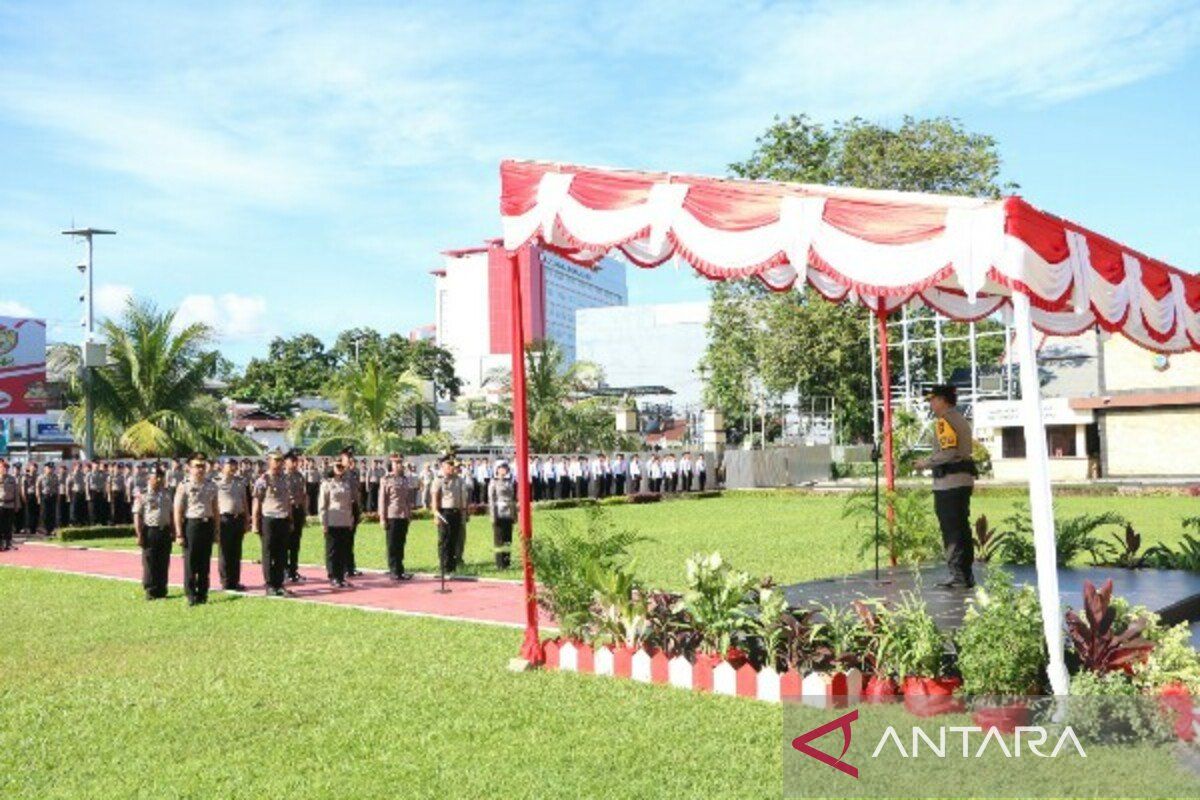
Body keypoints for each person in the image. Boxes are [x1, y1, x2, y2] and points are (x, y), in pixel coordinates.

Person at [914, 384, 978, 589]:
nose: (931, 404)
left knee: (952, 531)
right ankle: (965, 575)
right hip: (962, 480)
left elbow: (948, 452)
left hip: (949, 483)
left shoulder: (944, 422)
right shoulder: (960, 419)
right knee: (962, 528)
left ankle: (958, 576)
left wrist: (925, 463)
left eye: (933, 400)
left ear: (942, 400)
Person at [173, 454, 219, 606]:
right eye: (197, 466)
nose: (200, 469)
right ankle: (191, 594)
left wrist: (217, 530)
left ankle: (203, 594)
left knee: (205, 561)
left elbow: (215, 509)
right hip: (192, 525)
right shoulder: (184, 485)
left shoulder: (211, 485)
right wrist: (179, 533)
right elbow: (178, 510)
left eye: (202, 466)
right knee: (191, 562)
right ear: (189, 468)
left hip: (207, 524)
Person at [252, 451, 293, 597]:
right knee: (269, 552)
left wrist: (291, 519)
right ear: (269, 461)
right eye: (275, 460)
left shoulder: (285, 479)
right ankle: (270, 584)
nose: (278, 463)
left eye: (280, 460)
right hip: (269, 518)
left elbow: (288, 501)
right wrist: (255, 523)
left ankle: (279, 583)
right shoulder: (263, 479)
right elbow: (257, 501)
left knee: (281, 553)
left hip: (283, 518)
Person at [133, 469, 173, 600]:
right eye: (156, 477)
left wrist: (173, 530)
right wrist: (139, 535)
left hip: (165, 530)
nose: (160, 480)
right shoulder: (142, 495)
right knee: (150, 562)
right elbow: (137, 516)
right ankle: (151, 591)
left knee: (163, 561)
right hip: (150, 531)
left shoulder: (167, 493)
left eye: (161, 477)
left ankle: (162, 590)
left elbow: (171, 513)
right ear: (149, 478)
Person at [319, 461, 356, 588]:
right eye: (338, 466)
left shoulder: (346, 484)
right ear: (332, 468)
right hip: (332, 521)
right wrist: (324, 522)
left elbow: (349, 505)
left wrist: (351, 519)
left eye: (342, 467)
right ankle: (333, 576)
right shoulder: (327, 484)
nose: (341, 469)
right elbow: (323, 505)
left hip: (344, 521)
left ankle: (340, 576)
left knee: (342, 550)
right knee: (332, 551)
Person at [430, 457, 469, 575]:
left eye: (453, 465)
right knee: (444, 540)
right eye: (449, 465)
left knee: (454, 539)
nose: (452, 467)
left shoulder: (458, 479)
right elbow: (434, 499)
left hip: (456, 512)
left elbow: (462, 499)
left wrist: (464, 512)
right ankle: (444, 565)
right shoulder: (439, 480)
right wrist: (436, 515)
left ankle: (452, 566)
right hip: (444, 513)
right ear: (443, 466)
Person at [379, 453, 414, 581]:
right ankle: (393, 570)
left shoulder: (405, 479)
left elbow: (407, 499)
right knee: (392, 544)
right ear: (391, 464)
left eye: (400, 462)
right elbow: (383, 500)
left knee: (401, 543)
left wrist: (409, 514)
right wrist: (382, 518)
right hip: (392, 515)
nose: (399, 465)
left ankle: (400, 569)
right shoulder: (386, 479)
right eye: (396, 463)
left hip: (403, 515)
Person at [215, 460, 249, 592]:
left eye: (234, 465)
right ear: (222, 467)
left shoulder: (239, 482)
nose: (233, 468)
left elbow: (244, 501)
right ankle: (226, 581)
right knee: (225, 551)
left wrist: (247, 518)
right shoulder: (216, 483)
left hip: (238, 518)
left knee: (236, 551)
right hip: (224, 519)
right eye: (230, 465)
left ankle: (235, 580)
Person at [284, 452, 308, 584]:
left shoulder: (299, 476)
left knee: (295, 542)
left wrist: (304, 511)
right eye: (291, 461)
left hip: (298, 510)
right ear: (285, 462)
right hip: (288, 511)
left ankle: (293, 570)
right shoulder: (282, 477)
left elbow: (304, 495)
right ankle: (285, 570)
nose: (294, 463)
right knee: (285, 542)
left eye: (295, 461)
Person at [339, 449, 363, 576]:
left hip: (353, 507)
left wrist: (358, 508)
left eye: (351, 457)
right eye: (347, 458)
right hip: (344, 509)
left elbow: (357, 492)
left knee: (351, 538)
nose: (350, 460)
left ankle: (350, 566)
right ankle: (342, 567)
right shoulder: (339, 474)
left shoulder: (354, 473)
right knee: (343, 538)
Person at [488, 462, 515, 569]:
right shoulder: (493, 483)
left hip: (508, 512)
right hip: (498, 512)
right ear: (497, 469)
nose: (505, 469)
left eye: (506, 467)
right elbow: (491, 500)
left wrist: (514, 515)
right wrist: (493, 516)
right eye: (502, 468)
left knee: (508, 539)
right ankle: (500, 563)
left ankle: (507, 562)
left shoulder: (509, 482)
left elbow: (512, 499)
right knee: (499, 539)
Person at [0, 459, 21, 550]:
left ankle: (8, 543)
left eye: (5, 468)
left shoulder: (12, 479)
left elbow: (16, 493)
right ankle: (1, 544)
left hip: (10, 505)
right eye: (2, 468)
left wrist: (17, 505)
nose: (4, 469)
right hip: (0, 504)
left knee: (8, 525)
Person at [36, 463, 58, 536]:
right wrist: (38, 497)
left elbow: (57, 487)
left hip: (53, 496)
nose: (51, 469)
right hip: (45, 496)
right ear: (45, 469)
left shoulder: (55, 476)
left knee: (52, 513)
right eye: (49, 468)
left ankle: (51, 529)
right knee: (44, 513)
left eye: (52, 468)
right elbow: (38, 487)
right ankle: (44, 529)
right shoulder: (41, 477)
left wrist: (57, 496)